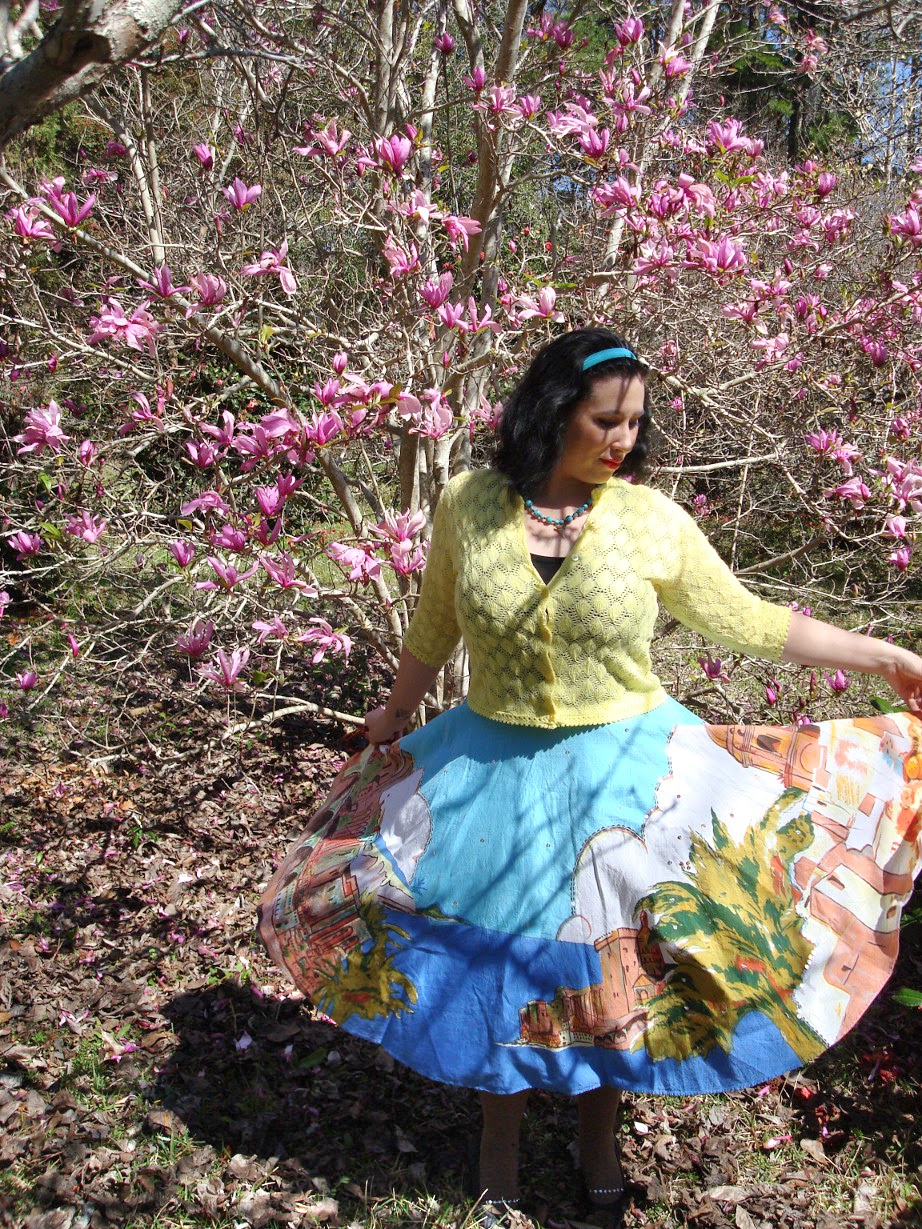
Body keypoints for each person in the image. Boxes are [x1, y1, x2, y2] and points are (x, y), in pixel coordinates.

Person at [259, 328, 922, 1224]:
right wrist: (393, 713)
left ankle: (597, 1139)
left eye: (634, 423)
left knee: (615, 969)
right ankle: (498, 1152)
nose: (622, 439)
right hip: (489, 772)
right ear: (552, 412)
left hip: (628, 776)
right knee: (494, 960)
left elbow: (751, 620)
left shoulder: (650, 519)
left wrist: (884, 655)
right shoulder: (469, 503)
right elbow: (434, 625)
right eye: (605, 420)